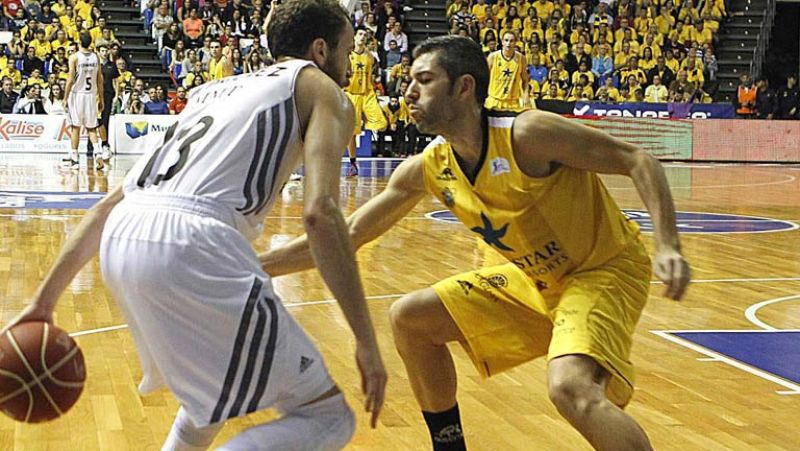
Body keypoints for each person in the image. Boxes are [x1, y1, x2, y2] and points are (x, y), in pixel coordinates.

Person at [262, 36, 691, 451]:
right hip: (538, 282)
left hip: (603, 271)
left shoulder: (528, 133)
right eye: (409, 81)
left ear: (464, 87)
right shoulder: (430, 166)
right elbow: (347, 236)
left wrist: (668, 245)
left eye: (424, 80)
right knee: (410, 318)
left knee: (570, 386)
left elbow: (638, 159)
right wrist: (253, 265)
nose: (409, 92)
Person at [1, 1, 387, 450]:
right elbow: (321, 214)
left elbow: (106, 206)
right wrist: (365, 339)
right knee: (328, 417)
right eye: (347, 51)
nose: (350, 64)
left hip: (124, 237)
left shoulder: (215, 91)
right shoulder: (323, 90)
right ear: (321, 50)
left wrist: (43, 302)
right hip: (192, 241)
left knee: (211, 395)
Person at [344, 27, 387, 176]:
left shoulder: (370, 57)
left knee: (382, 124)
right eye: (360, 34)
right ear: (354, 37)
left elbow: (373, 76)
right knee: (352, 133)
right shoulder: (347, 54)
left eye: (365, 35)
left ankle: (365, 121)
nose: (363, 37)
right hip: (351, 94)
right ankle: (353, 163)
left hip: (367, 93)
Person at [63, 31, 105, 171]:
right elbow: (99, 80)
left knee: (75, 127)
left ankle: (75, 159)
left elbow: (70, 80)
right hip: (91, 95)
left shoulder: (74, 57)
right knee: (91, 128)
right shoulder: (96, 57)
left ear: (79, 42)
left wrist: (65, 97)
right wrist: (101, 98)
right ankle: (98, 153)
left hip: (77, 94)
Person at [485, 30, 529, 112]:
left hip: (513, 102)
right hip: (494, 100)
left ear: (515, 43)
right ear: (502, 42)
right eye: (506, 40)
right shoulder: (493, 57)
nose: (508, 43)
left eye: (511, 41)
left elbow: (525, 81)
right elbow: (484, 77)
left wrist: (526, 94)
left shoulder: (521, 58)